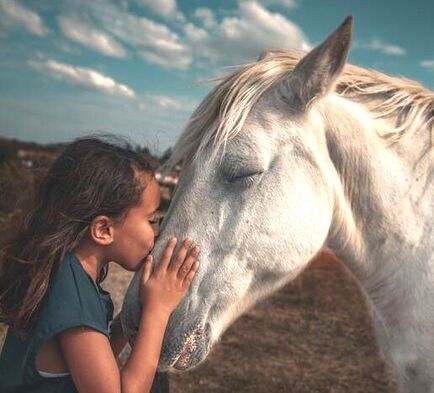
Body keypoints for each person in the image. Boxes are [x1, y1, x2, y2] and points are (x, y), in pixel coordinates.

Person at [0, 136, 200, 393]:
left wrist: (130, 319)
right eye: (152, 220)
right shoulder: (73, 297)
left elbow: (91, 359)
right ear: (104, 229)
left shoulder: (64, 272)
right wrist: (157, 310)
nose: (158, 232)